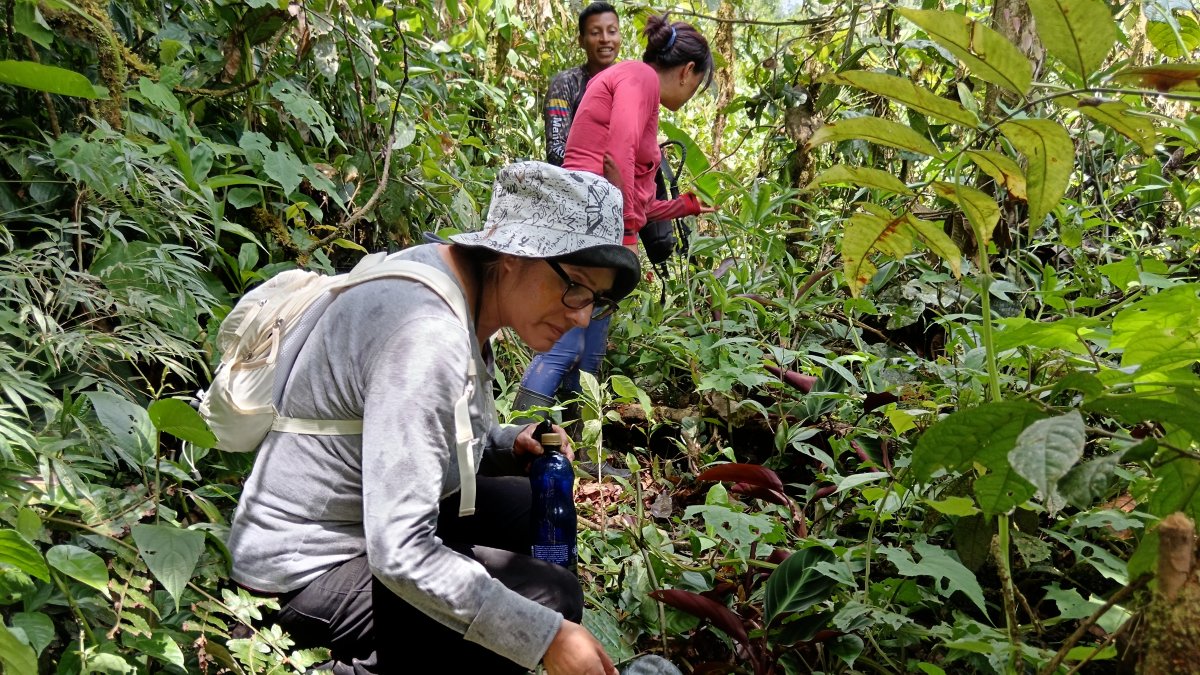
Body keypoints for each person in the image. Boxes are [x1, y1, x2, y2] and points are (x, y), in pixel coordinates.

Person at [227, 162, 640, 674]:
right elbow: (399, 551)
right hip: (302, 571)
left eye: (595, 301)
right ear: (514, 254)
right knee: (549, 600)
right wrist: (543, 637)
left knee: (528, 497)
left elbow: (408, 433)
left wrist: (505, 446)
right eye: (575, 286)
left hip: (361, 519)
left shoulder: (449, 281)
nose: (580, 315)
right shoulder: (427, 332)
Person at [515, 15, 716, 467]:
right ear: (687, 71)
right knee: (568, 340)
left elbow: (640, 199)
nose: (692, 94)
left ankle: (575, 453)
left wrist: (680, 207)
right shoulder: (639, 77)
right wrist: (625, 233)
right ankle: (518, 441)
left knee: (590, 348)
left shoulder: (647, 97)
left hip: (602, 224)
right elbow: (615, 152)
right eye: (697, 85)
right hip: (589, 224)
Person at [544, 2, 622, 167]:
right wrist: (602, 167)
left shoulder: (629, 84)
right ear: (581, 41)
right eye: (595, 33)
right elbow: (555, 149)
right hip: (579, 183)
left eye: (612, 31)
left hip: (628, 180)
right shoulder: (566, 83)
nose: (605, 39)